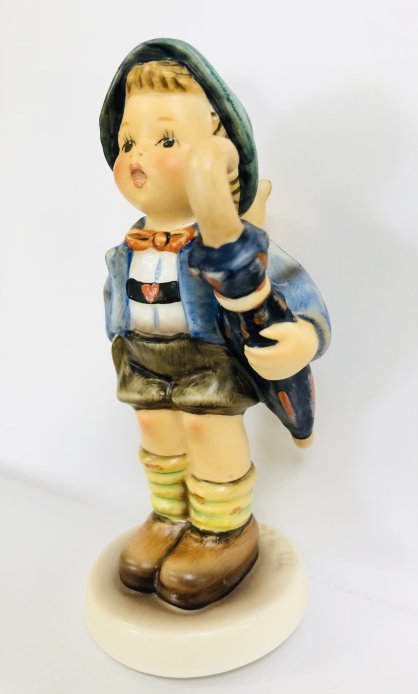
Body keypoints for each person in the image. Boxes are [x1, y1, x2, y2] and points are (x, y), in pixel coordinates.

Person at [100, 38, 331, 610]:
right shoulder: (125, 250)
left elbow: (293, 290)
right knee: (155, 429)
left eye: (166, 140)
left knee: (207, 431)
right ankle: (169, 516)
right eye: (128, 142)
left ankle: (222, 529)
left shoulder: (232, 246)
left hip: (207, 361)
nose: (138, 155)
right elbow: (115, 302)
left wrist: (302, 336)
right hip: (143, 360)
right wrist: (119, 343)